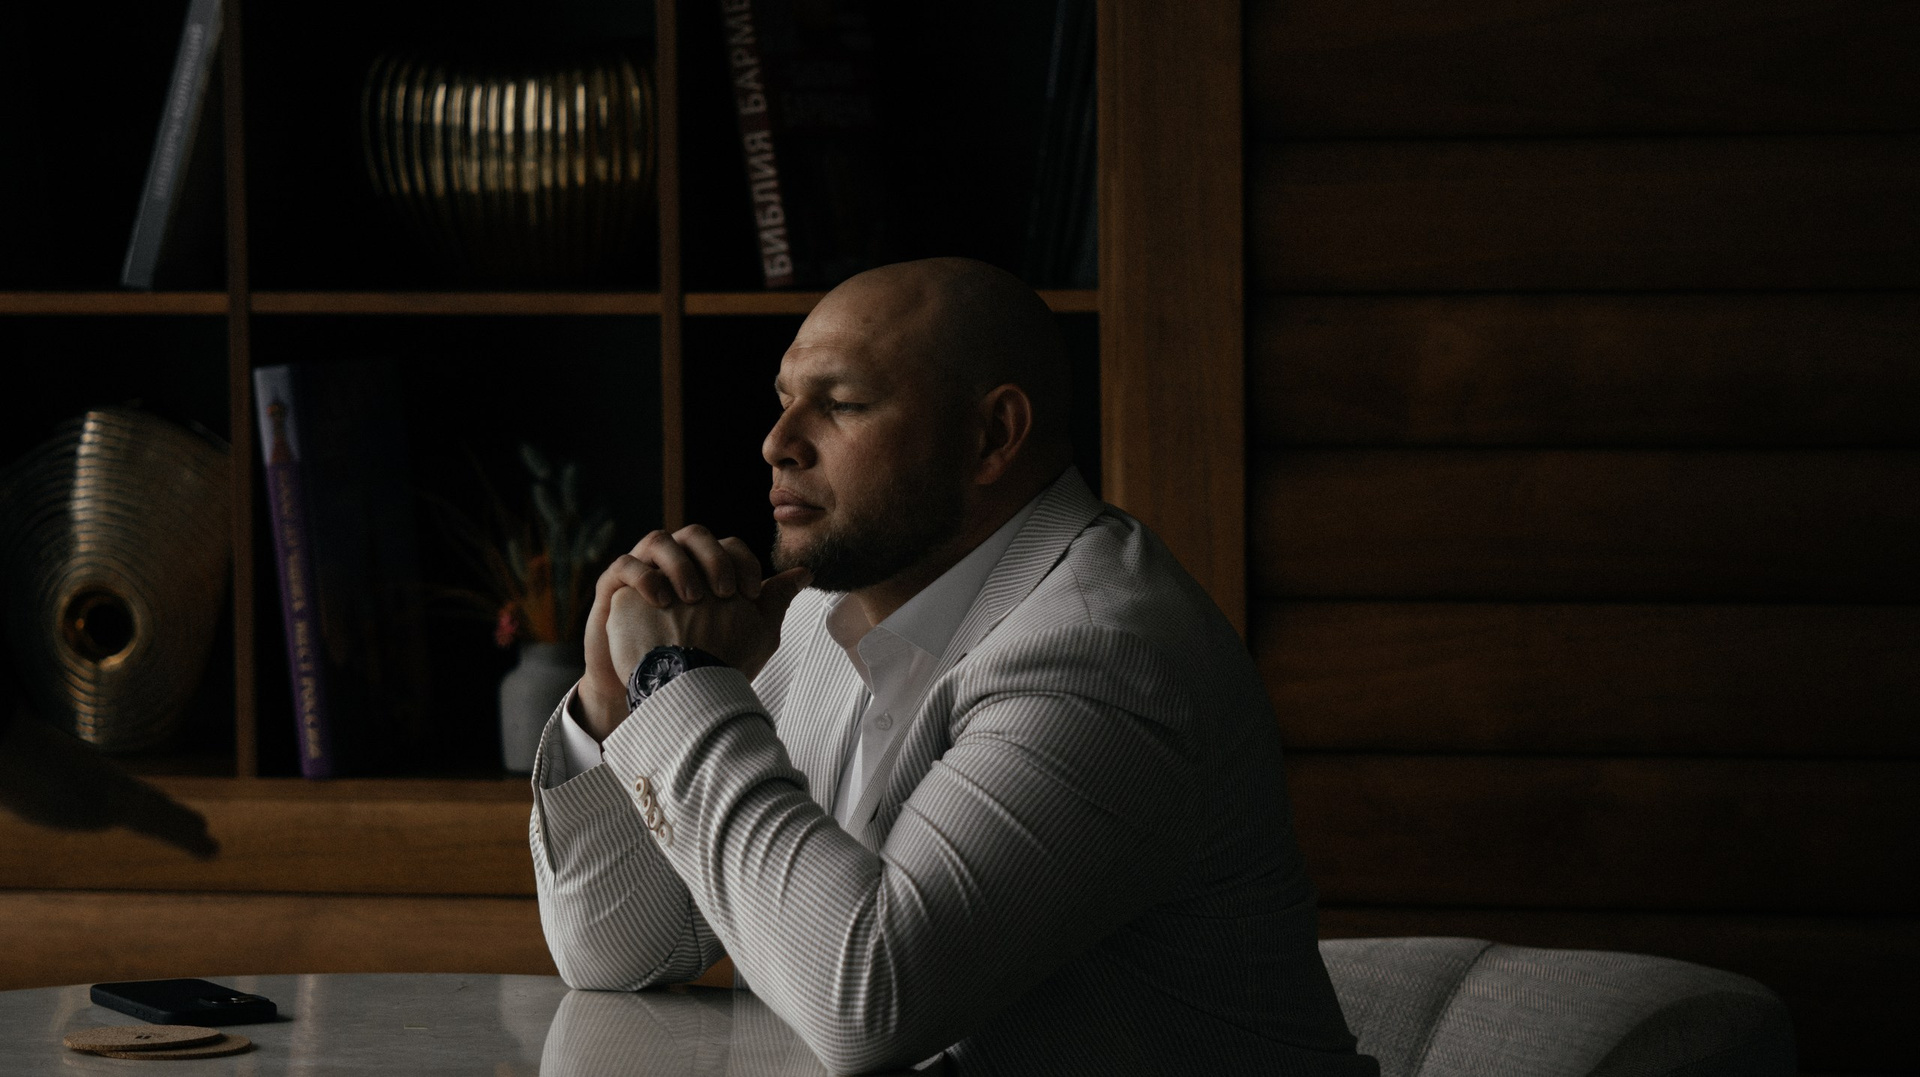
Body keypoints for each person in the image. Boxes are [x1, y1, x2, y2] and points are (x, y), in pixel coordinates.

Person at [529, 258, 1374, 1075]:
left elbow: (866, 1000)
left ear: (992, 435)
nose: (777, 443)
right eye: (785, 401)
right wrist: (615, 701)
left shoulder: (1102, 650)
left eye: (842, 404)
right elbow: (618, 947)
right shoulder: (824, 615)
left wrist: (675, 685)